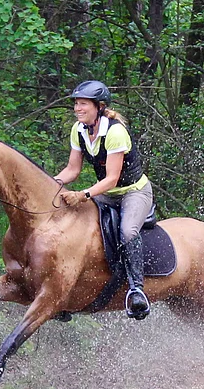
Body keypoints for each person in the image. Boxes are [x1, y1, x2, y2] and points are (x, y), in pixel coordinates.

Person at [55, 80, 153, 320]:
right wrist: (51, 184)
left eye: (83, 104)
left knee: (128, 231)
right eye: (76, 104)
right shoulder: (79, 130)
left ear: (99, 107)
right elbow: (72, 170)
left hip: (133, 192)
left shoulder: (115, 132)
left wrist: (83, 194)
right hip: (107, 194)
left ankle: (137, 290)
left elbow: (111, 179)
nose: (77, 109)